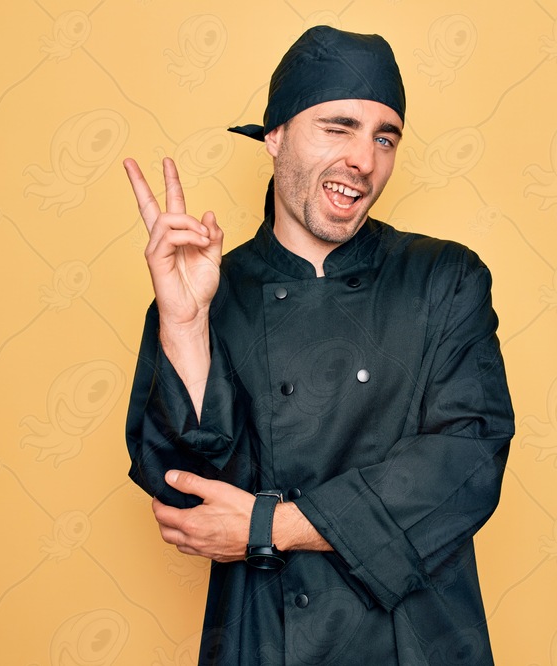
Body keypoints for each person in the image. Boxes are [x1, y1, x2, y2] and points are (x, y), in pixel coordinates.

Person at [124, 25, 514, 665]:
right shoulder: (203, 291)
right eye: (339, 127)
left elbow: (466, 462)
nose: (365, 159)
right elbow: (186, 501)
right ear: (275, 135)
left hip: (416, 641)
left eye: (384, 137)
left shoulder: (445, 278)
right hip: (264, 638)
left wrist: (271, 526)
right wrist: (187, 326)